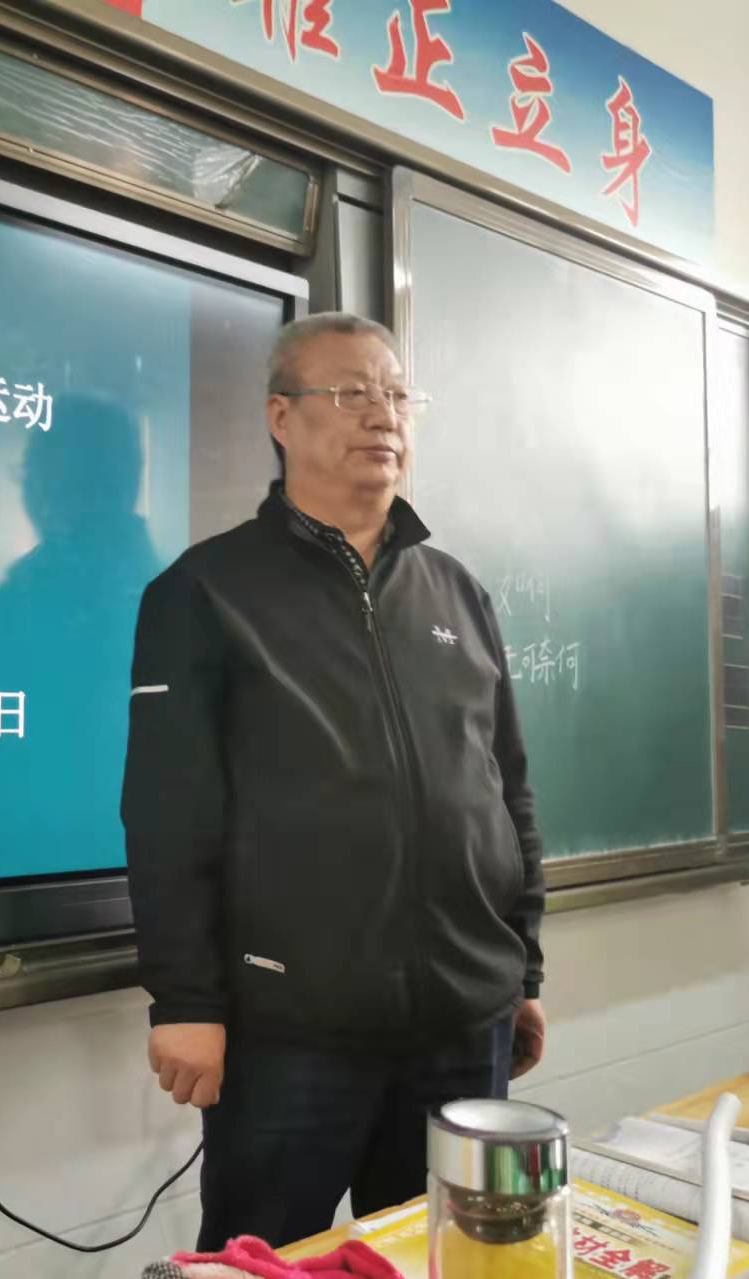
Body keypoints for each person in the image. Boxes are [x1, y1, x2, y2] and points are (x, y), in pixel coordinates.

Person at [121, 312, 548, 1250]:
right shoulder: (205, 591)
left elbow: (504, 788)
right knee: (265, 1261)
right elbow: (167, 815)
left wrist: (521, 967)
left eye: (396, 394)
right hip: (290, 1032)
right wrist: (186, 1000)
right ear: (281, 416)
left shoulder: (457, 591)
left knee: (447, 1261)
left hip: (462, 1021)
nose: (382, 415)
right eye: (352, 392)